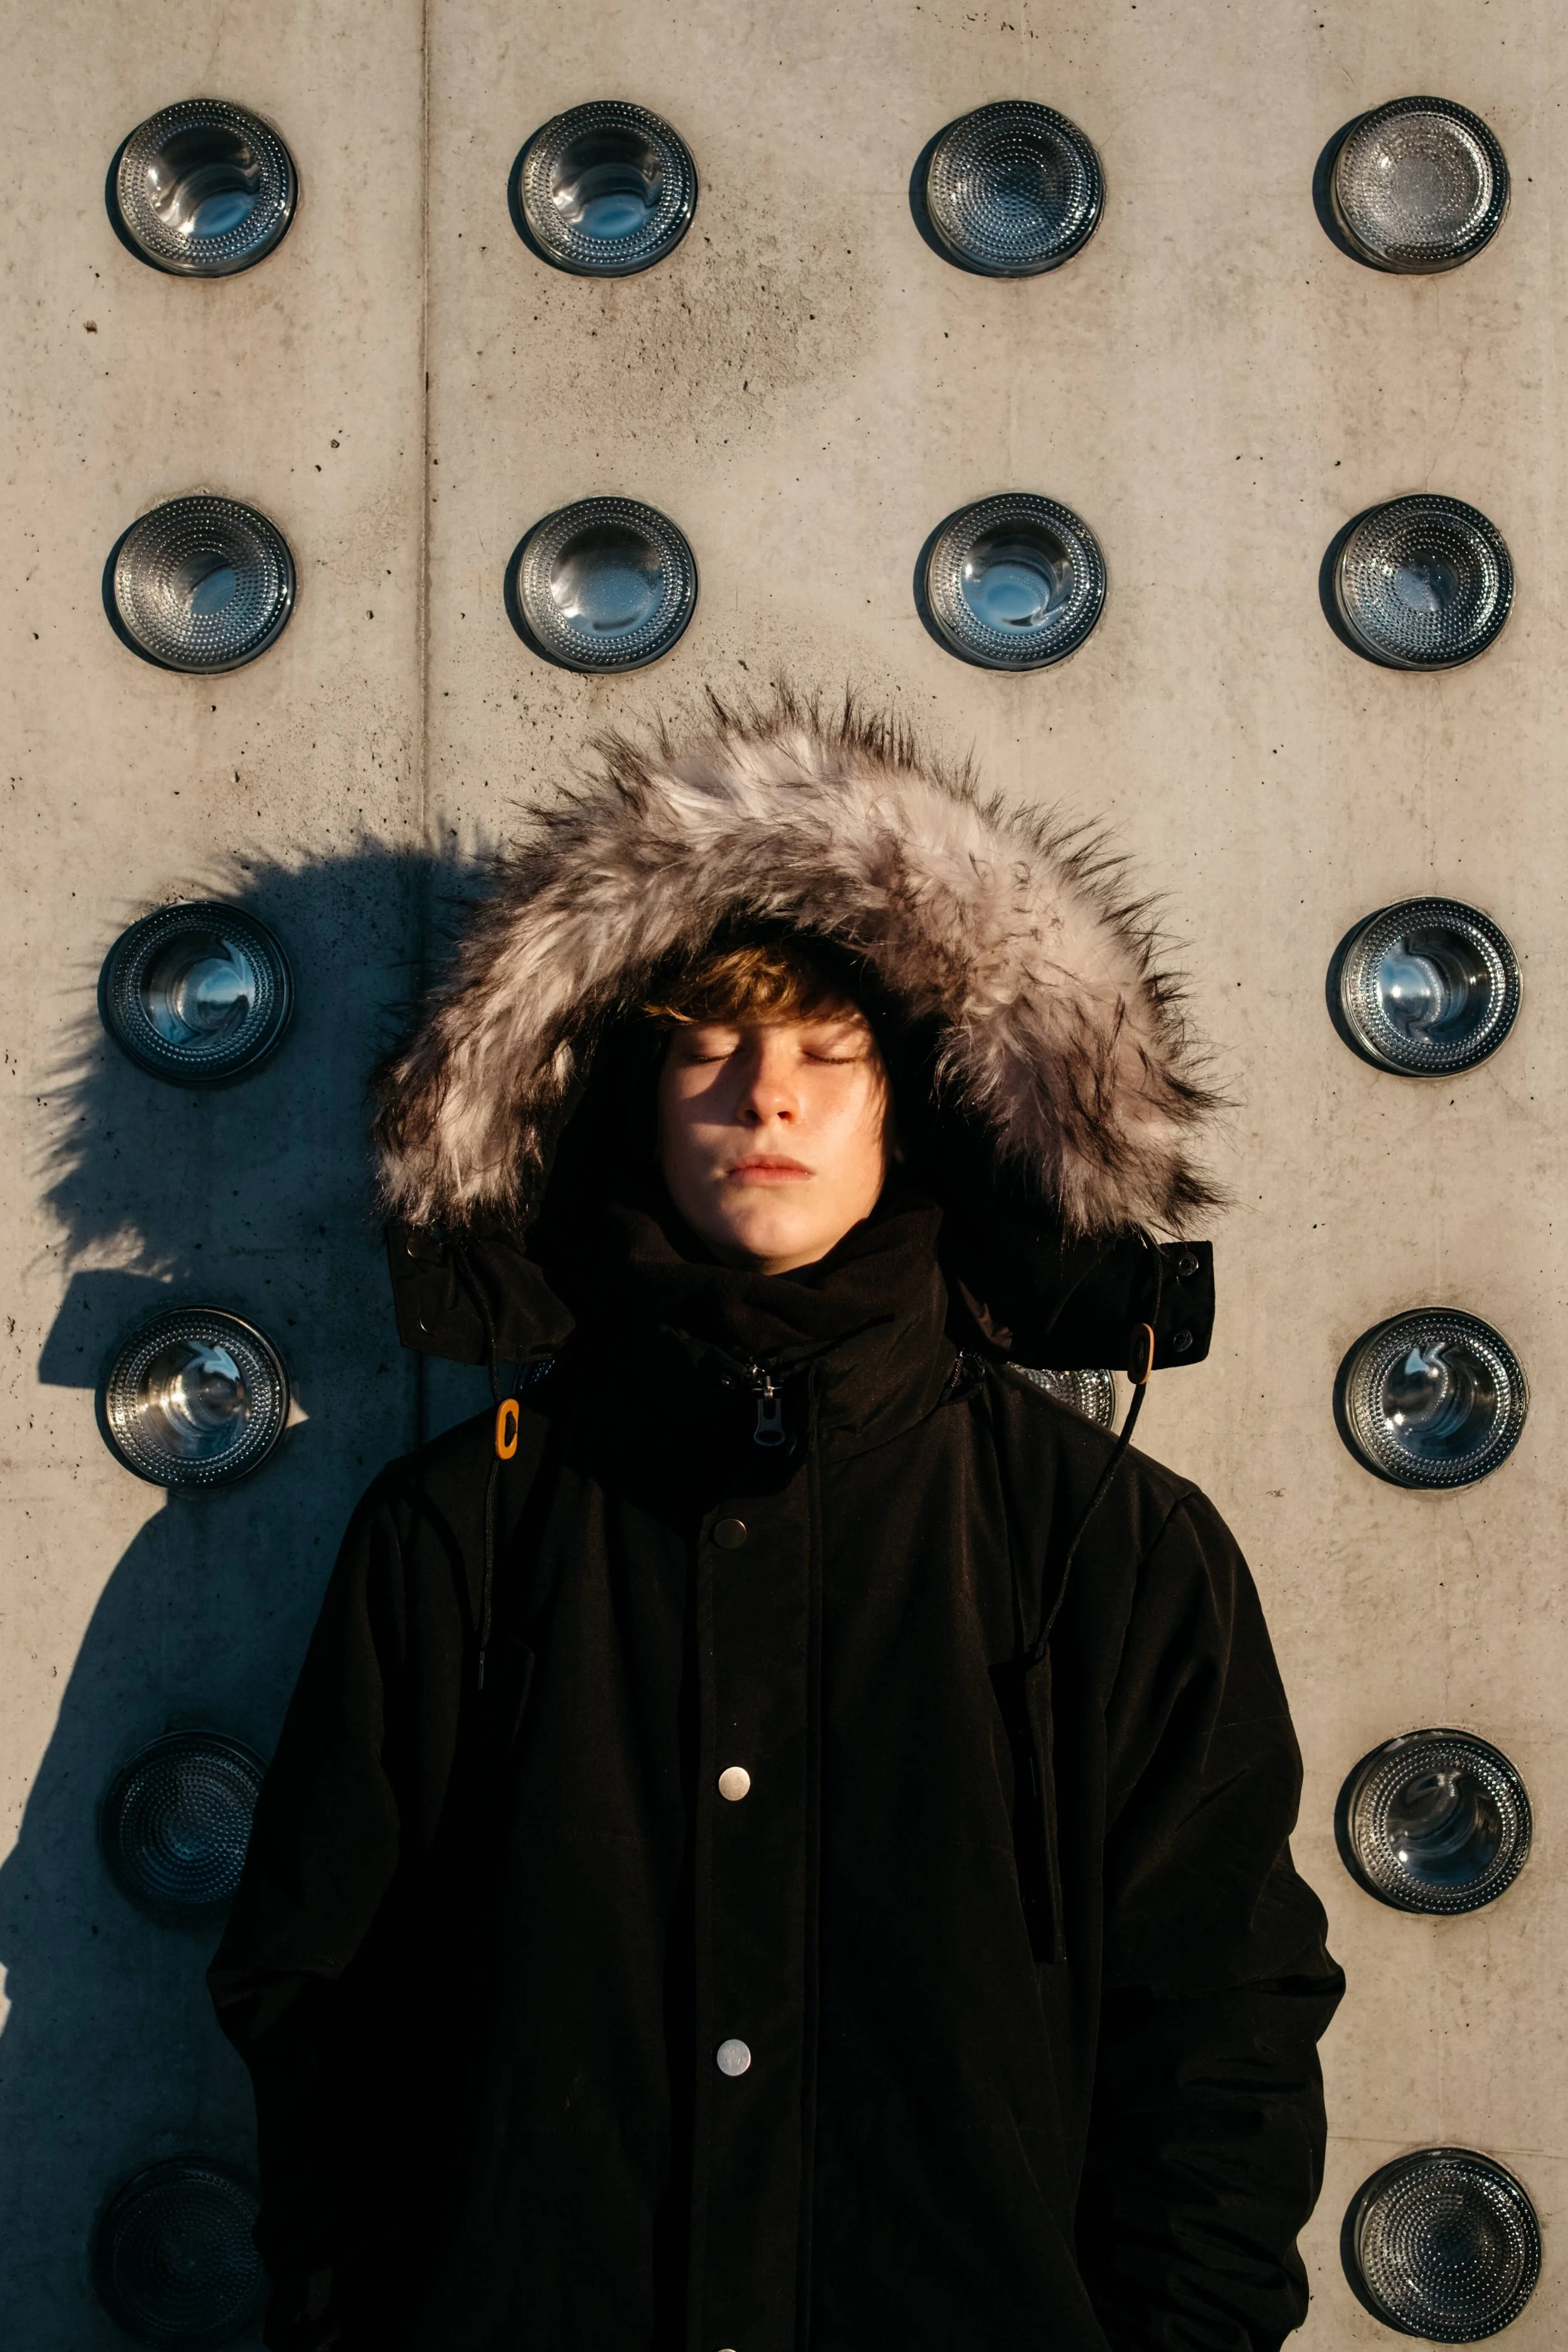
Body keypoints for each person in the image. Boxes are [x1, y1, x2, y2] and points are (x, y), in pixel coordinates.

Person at [209, 693, 1343, 2352]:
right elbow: (321, 1999)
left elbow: (1223, 2024)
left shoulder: (1106, 1540)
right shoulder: (456, 1533)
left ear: (919, 1108)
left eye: (831, 1055)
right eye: (707, 1047)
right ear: (623, 1099)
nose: (765, 1098)